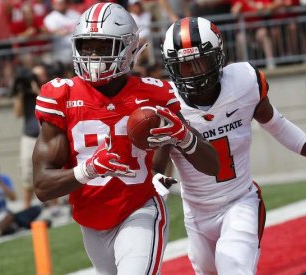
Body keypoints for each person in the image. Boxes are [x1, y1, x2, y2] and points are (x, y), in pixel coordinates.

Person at [154, 17, 306, 275]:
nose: (194, 72)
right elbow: (156, 163)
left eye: (200, 61)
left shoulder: (243, 82)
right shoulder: (164, 101)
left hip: (239, 203)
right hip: (195, 213)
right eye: (185, 66)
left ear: (217, 56)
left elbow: (278, 125)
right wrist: (155, 181)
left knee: (233, 269)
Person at [32, 4, 218, 275]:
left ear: (128, 48)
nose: (92, 55)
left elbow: (213, 166)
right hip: (91, 220)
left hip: (140, 208)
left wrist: (184, 136)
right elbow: (42, 186)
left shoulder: (154, 94)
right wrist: (90, 169)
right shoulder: (61, 96)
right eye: (86, 46)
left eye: (102, 46)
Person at [0, 148, 42, 239]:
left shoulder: (3, 178)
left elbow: (13, 198)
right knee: (12, 218)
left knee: (36, 209)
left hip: (5, 214)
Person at [12, 64, 49, 209]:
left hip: (45, 135)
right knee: (27, 171)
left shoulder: (49, 89)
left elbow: (48, 106)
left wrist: (37, 90)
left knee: (49, 170)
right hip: (29, 136)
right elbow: (17, 113)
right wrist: (21, 93)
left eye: (39, 75)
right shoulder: (25, 93)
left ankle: (54, 206)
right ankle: (26, 207)